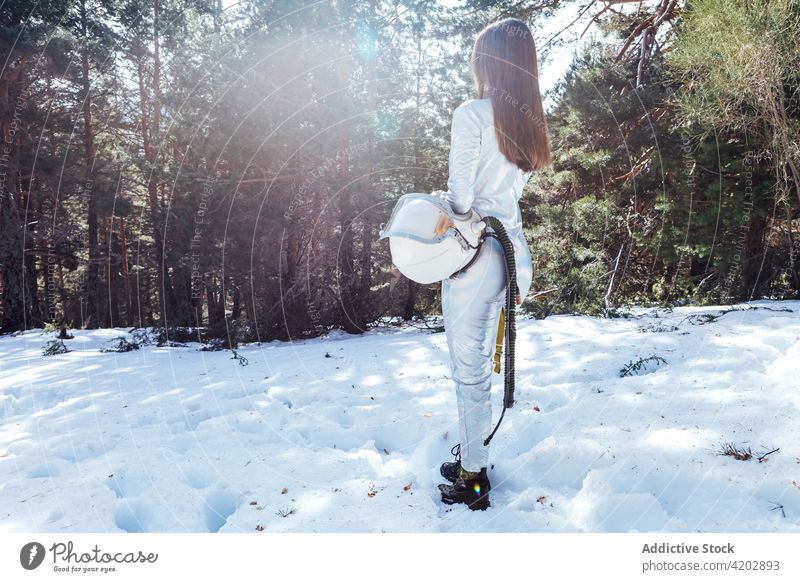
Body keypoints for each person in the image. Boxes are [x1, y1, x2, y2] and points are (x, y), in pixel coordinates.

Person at [437, 17, 551, 511]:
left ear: (490, 62)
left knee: (470, 371)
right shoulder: (527, 125)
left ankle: (473, 478)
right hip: (513, 255)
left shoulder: (473, 114)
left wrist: (436, 208)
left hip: (476, 254)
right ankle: (473, 454)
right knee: (483, 365)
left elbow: (463, 198)